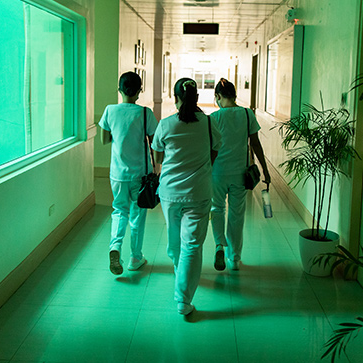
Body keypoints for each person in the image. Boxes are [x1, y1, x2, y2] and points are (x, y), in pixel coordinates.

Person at [152, 78, 221, 316]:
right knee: (192, 245)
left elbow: (158, 158)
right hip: (199, 191)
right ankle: (183, 299)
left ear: (175, 98)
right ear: (197, 99)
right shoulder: (208, 123)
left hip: (170, 193)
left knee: (174, 242)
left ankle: (179, 272)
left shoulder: (166, 124)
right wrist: (201, 168)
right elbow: (215, 150)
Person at [99, 71, 158, 275]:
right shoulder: (145, 113)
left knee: (119, 211)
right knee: (138, 215)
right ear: (139, 91)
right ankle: (135, 257)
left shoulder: (110, 111)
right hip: (140, 175)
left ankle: (115, 247)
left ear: (119, 89)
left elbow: (104, 139)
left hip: (117, 173)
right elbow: (155, 143)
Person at [210, 78, 270, 271]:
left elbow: (208, 148)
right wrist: (265, 170)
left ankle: (219, 245)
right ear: (234, 95)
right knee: (237, 214)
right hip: (240, 174)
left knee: (217, 209)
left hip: (217, 172)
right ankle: (234, 258)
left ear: (218, 96)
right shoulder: (247, 114)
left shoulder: (214, 117)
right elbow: (255, 143)